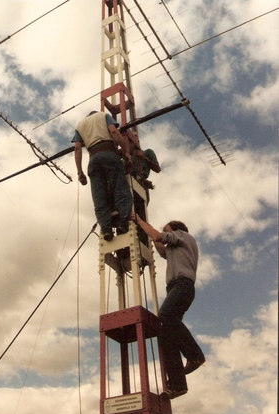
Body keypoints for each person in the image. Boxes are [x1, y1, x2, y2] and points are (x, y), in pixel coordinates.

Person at [131, 213, 205, 399]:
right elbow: (161, 248)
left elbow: (158, 237)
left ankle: (195, 355)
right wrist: (149, 231)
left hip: (183, 285)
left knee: (166, 315)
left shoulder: (183, 236)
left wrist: (140, 222)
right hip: (176, 288)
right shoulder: (176, 248)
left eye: (166, 231)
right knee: (165, 334)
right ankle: (177, 385)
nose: (164, 234)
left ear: (176, 230)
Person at [73, 111, 133, 241]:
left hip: (93, 159)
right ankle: (122, 223)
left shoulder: (80, 125)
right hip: (109, 153)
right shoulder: (103, 116)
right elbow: (114, 132)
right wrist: (125, 152)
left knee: (99, 197)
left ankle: (106, 230)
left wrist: (80, 172)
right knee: (119, 189)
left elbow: (77, 148)